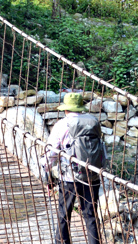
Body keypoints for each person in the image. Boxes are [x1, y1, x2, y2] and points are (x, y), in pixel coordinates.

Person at [41, 93, 107, 244]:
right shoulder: (92, 122)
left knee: (64, 214)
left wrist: (47, 174)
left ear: (66, 109)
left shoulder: (61, 125)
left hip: (69, 177)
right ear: (80, 108)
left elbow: (51, 154)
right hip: (92, 176)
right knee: (90, 214)